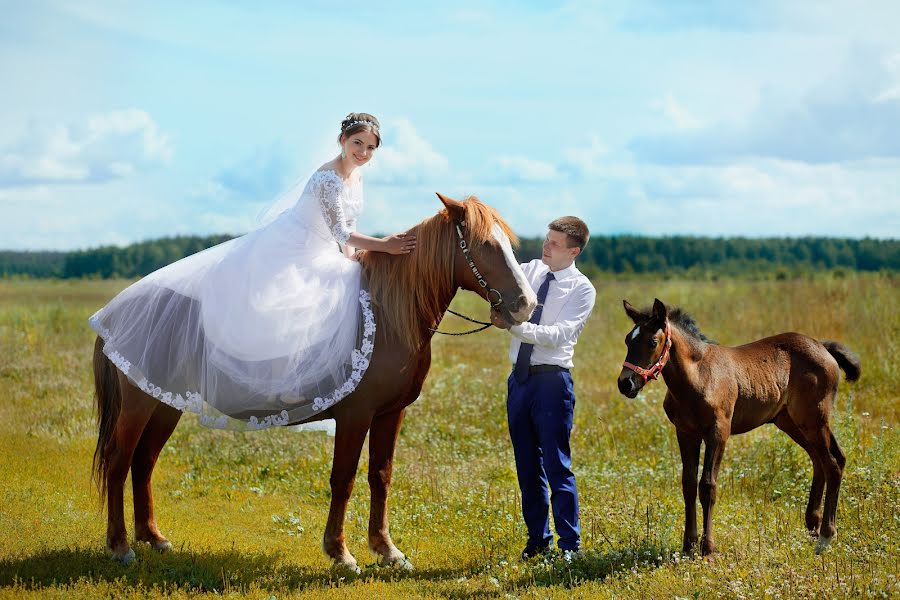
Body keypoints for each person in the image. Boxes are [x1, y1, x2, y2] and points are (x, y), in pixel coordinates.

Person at [89, 113, 415, 430]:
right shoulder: (327, 177)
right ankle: (281, 381)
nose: (363, 152)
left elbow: (349, 231)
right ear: (342, 141)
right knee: (288, 306)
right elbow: (340, 231)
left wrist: (353, 260)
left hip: (322, 251)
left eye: (371, 148)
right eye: (358, 143)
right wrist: (384, 246)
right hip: (293, 248)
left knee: (342, 298)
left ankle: (321, 378)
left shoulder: (356, 177)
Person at [491, 216, 596, 559]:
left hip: (553, 382)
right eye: (546, 239)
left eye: (554, 243)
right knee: (526, 466)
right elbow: (500, 281)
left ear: (574, 251)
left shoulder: (582, 289)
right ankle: (538, 541)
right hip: (519, 381)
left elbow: (558, 336)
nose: (545, 247)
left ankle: (570, 547)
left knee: (556, 465)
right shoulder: (532, 269)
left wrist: (513, 326)